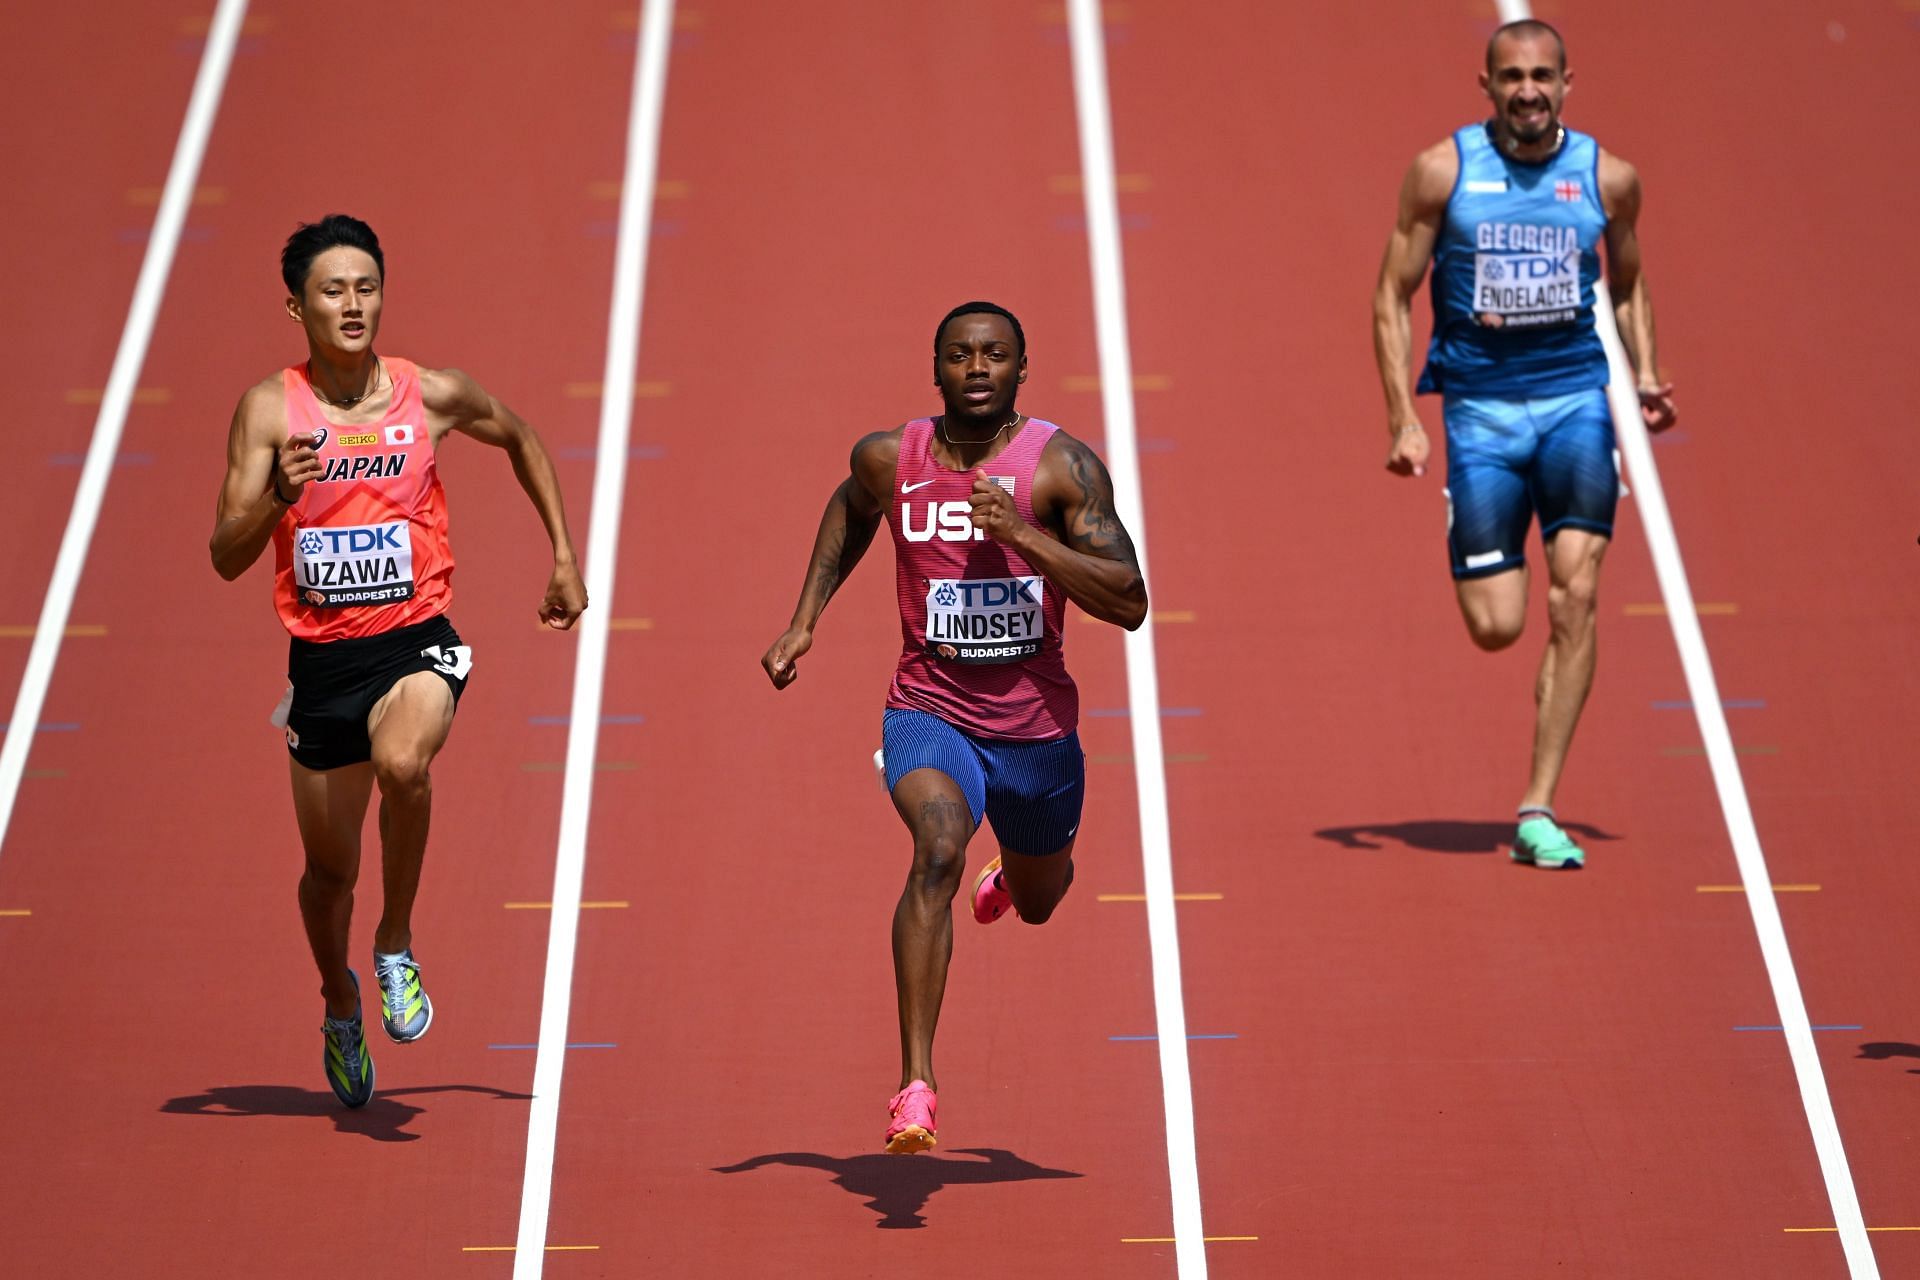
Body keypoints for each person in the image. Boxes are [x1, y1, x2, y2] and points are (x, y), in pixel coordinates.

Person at [209, 215, 586, 1108]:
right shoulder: (270, 411)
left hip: (416, 639)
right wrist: (278, 496)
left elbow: (524, 437)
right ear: (296, 304)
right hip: (321, 667)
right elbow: (225, 552)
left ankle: (396, 944)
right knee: (326, 876)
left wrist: (564, 555)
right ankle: (341, 999)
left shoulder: (432, 394)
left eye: (367, 287)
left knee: (405, 762)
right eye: (334, 290)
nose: (353, 304)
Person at [761, 302, 1147, 1152]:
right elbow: (851, 512)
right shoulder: (888, 459)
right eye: (961, 356)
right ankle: (916, 1086)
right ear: (935, 369)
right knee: (938, 845)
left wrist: (1022, 535)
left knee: (1042, 903)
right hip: (928, 707)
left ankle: (1015, 869)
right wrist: (805, 619)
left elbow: (1129, 601)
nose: (978, 368)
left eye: (996, 355)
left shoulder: (1061, 467)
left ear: (1020, 371)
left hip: (1036, 730)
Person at [1372, 20, 1677, 868]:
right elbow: (1391, 298)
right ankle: (1466, 524)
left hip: (1576, 400)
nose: (1529, 90)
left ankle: (1538, 806)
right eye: (1513, 77)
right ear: (1487, 84)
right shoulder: (1445, 173)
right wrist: (1403, 414)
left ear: (1568, 82)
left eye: (1543, 75)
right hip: (1479, 413)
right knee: (1497, 625)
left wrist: (1647, 373)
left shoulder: (1608, 178)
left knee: (1575, 598)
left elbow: (1631, 283)